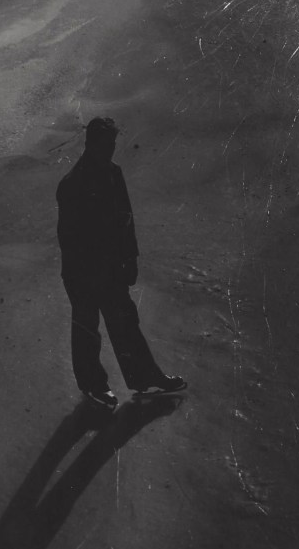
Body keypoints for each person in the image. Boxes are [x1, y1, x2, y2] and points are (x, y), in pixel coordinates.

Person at [56, 117, 186, 410]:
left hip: (111, 269)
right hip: (83, 274)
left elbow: (126, 221)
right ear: (92, 143)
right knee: (88, 332)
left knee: (126, 324)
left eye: (113, 144)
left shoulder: (114, 173)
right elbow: (69, 239)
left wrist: (130, 259)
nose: (112, 149)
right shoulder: (71, 184)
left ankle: (145, 378)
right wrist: (85, 277)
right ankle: (94, 387)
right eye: (107, 144)